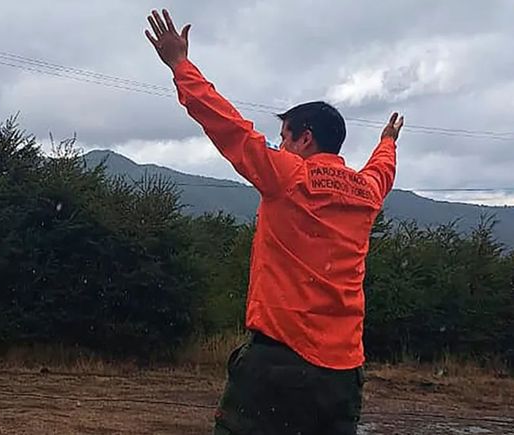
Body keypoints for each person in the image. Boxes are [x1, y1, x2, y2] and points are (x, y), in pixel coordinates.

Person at [145, 9, 403, 435]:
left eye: (284, 137)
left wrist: (180, 66)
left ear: (305, 138)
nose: (279, 145)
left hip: (278, 364)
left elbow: (228, 127)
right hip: (343, 373)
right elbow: (382, 169)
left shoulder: (288, 176)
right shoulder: (366, 191)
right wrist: (388, 143)